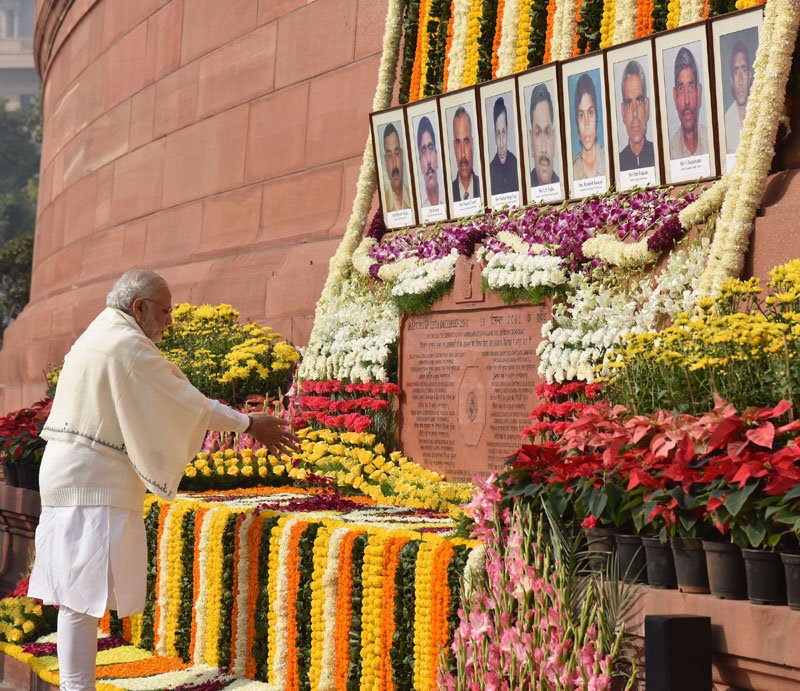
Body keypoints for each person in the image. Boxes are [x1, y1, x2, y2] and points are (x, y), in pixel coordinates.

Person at [27, 269, 299, 691]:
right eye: (165, 311)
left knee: (76, 600)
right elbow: (185, 402)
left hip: (73, 474)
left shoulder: (99, 332)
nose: (169, 321)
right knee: (81, 601)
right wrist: (248, 423)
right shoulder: (126, 344)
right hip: (92, 481)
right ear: (139, 308)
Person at [669, 46, 709, 159]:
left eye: (691, 88)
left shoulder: (713, 143)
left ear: (698, 92)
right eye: (681, 89)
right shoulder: (669, 155)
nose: (686, 101)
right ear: (674, 96)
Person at [618, 60, 655, 171]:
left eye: (638, 101)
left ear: (646, 107)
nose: (635, 113)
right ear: (623, 112)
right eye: (629, 103)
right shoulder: (617, 164)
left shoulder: (659, 155)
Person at [572, 73, 606, 180]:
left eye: (590, 113)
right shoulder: (572, 170)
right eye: (581, 115)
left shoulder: (609, 159)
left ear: (596, 118)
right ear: (577, 123)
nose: (586, 124)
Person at [724, 40, 753, 153]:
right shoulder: (725, 123)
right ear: (731, 81)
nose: (740, 80)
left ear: (750, 76)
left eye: (744, 70)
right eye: (736, 72)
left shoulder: (762, 112)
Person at [529, 83, 559, 187]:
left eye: (547, 133)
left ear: (554, 138)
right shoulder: (524, 189)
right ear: (531, 142)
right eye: (537, 134)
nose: (543, 148)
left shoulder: (563, 186)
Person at [488, 96, 519, 195]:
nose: (501, 144)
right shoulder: (490, 172)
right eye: (498, 134)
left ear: (508, 132)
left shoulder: (517, 166)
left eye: (503, 132)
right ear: (494, 135)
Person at [451, 106, 481, 201]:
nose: (463, 154)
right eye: (458, 143)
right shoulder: (448, 194)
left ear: (472, 145)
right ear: (454, 147)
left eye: (466, 142)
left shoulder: (484, 186)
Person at [382, 123, 411, 212]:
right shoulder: (384, 205)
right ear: (385, 160)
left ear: (402, 155)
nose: (394, 164)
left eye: (397, 154)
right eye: (390, 156)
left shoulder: (415, 197)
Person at [416, 116, 441, 207]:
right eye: (423, 151)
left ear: (437, 157)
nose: (429, 160)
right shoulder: (419, 210)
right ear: (420, 164)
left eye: (430, 148)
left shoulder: (451, 201)